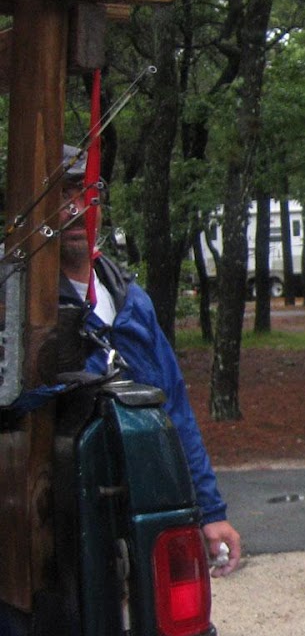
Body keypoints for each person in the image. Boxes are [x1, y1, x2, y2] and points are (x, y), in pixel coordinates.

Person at [56, 146, 244, 575]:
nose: (74, 208)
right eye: (60, 194)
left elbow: (174, 408)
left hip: (143, 508)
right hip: (61, 524)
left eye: (85, 193)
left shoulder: (131, 301)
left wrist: (210, 511)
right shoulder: (18, 303)